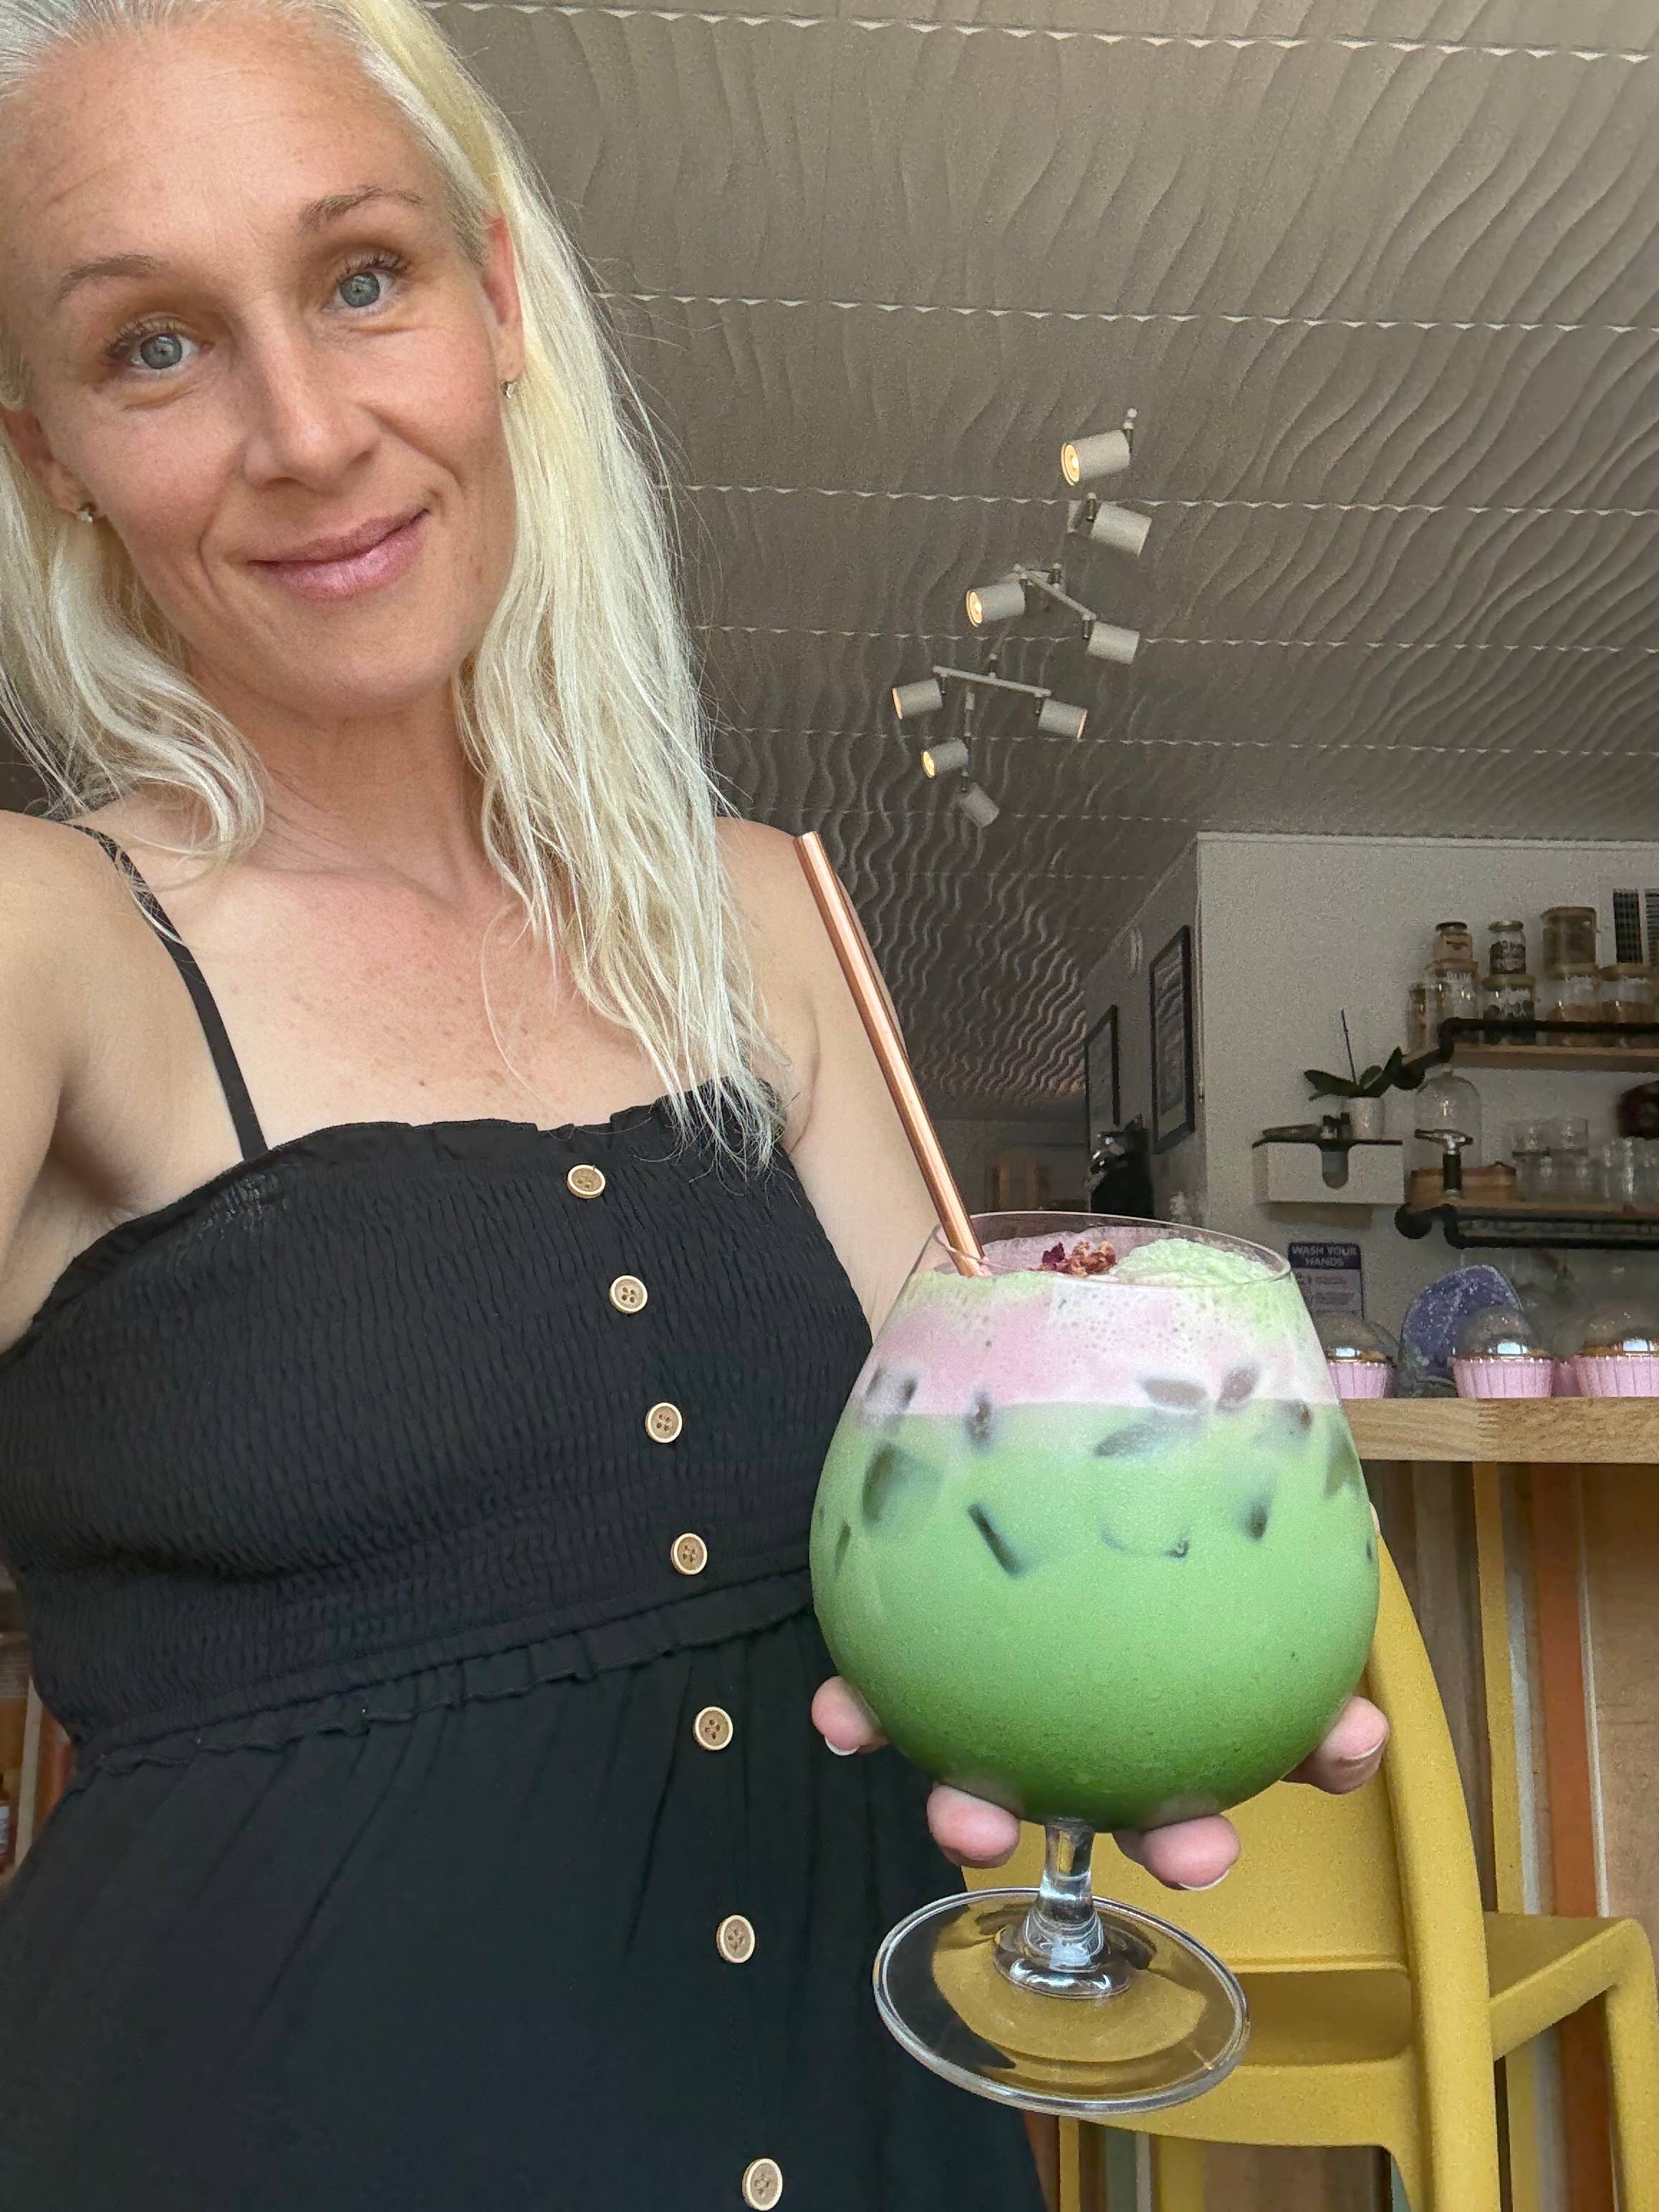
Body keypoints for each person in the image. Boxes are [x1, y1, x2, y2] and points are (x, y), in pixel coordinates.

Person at [0, 0, 1390, 2202]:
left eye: (362, 277)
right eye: (151, 346)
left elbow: (973, 1496)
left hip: (868, 2126)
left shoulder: (763, 912)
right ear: (53, 451)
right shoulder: (44, 938)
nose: (307, 431)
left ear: (496, 298)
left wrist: (1121, 1675)